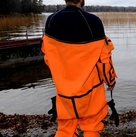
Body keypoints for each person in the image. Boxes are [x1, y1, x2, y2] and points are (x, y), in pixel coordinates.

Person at [41, 0, 117, 136]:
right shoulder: (94, 22)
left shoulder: (51, 20)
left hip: (64, 92)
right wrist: (110, 80)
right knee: (91, 127)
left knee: (65, 128)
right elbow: (104, 60)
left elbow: (48, 58)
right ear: (82, 0)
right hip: (90, 91)